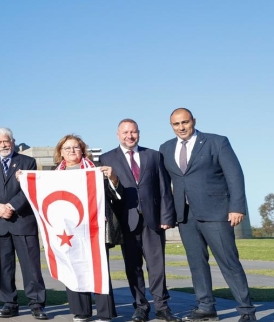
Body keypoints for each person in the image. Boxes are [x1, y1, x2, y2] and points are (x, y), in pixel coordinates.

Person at [159, 108, 256, 322]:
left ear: (193, 121)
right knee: (196, 263)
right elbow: (164, 185)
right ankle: (206, 307)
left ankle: (247, 312)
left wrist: (237, 207)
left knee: (229, 263)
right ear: (171, 126)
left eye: (185, 122)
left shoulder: (217, 142)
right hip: (185, 216)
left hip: (216, 213)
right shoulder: (165, 148)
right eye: (176, 124)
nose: (181, 127)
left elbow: (235, 175)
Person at [99, 119, 177, 322]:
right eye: (125, 132)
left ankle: (162, 307)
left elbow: (163, 188)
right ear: (118, 134)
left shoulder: (153, 155)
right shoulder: (106, 158)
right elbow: (104, 193)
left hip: (153, 221)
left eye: (133, 132)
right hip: (126, 222)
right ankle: (140, 307)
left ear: (139, 133)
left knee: (157, 266)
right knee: (133, 267)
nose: (129, 136)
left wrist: (167, 217)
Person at [40, 135, 122, 322]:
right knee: (73, 268)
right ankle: (81, 312)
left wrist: (113, 178)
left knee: (99, 269)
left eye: (75, 147)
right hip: (67, 232)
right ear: (60, 152)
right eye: (67, 148)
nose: (71, 151)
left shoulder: (95, 170)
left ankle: (104, 313)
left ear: (82, 150)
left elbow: (115, 195)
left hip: (95, 229)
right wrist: (24, 178)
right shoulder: (54, 175)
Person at [0, 127, 48, 320]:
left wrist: (10, 205)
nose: (3, 144)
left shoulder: (27, 162)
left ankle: (36, 304)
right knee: (3, 266)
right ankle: (9, 303)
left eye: (6, 141)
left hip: (22, 221)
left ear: (13, 141)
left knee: (31, 266)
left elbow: (30, 188)